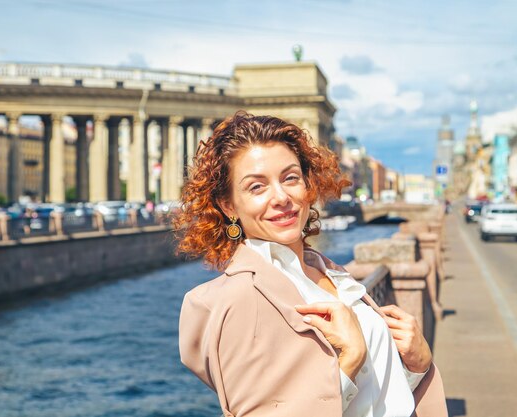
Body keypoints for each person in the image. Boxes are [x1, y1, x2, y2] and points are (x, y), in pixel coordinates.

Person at [176, 111, 446, 417]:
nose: (281, 197)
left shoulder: (329, 270)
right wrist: (349, 361)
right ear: (228, 206)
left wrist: (418, 366)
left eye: (290, 178)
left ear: (307, 183)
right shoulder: (233, 299)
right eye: (256, 187)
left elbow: (377, 398)